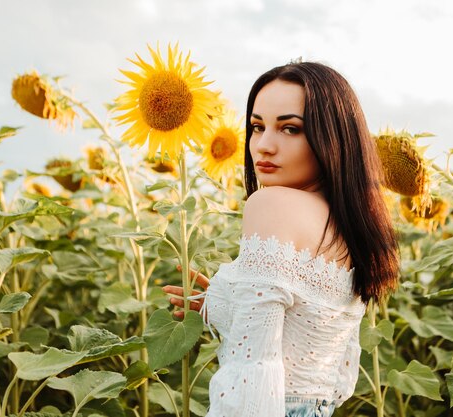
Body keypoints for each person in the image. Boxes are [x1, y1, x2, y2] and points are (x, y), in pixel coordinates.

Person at [163, 61, 400, 417]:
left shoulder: (270, 203)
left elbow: (252, 373)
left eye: (290, 129)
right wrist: (225, 308)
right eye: (257, 127)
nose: (264, 146)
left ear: (332, 138)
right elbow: (317, 356)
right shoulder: (354, 225)